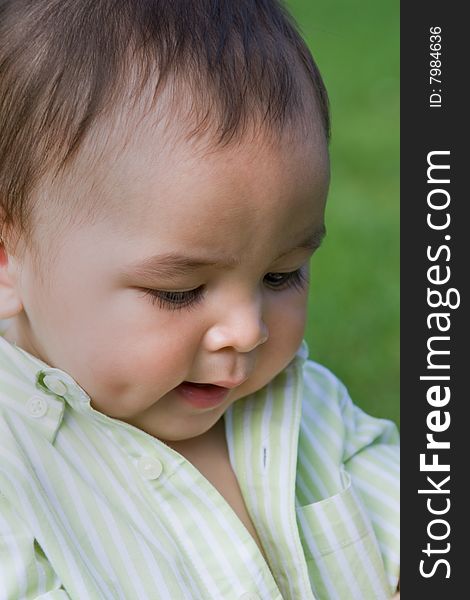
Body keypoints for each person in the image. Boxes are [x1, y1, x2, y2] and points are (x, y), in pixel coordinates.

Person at [0, 1, 399, 598]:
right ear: (8, 258)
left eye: (281, 275)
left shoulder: (309, 410)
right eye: (179, 291)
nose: (247, 330)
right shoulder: (16, 481)